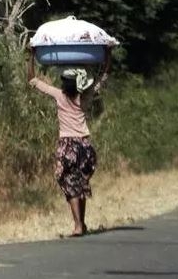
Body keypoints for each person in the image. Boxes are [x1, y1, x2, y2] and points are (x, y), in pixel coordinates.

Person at [26, 47, 110, 237]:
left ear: (65, 84)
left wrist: (31, 55)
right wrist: (107, 53)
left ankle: (78, 225)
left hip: (68, 146)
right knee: (80, 184)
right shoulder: (85, 96)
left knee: (69, 184)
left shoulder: (59, 95)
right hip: (85, 146)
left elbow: (32, 80)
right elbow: (104, 76)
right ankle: (82, 224)